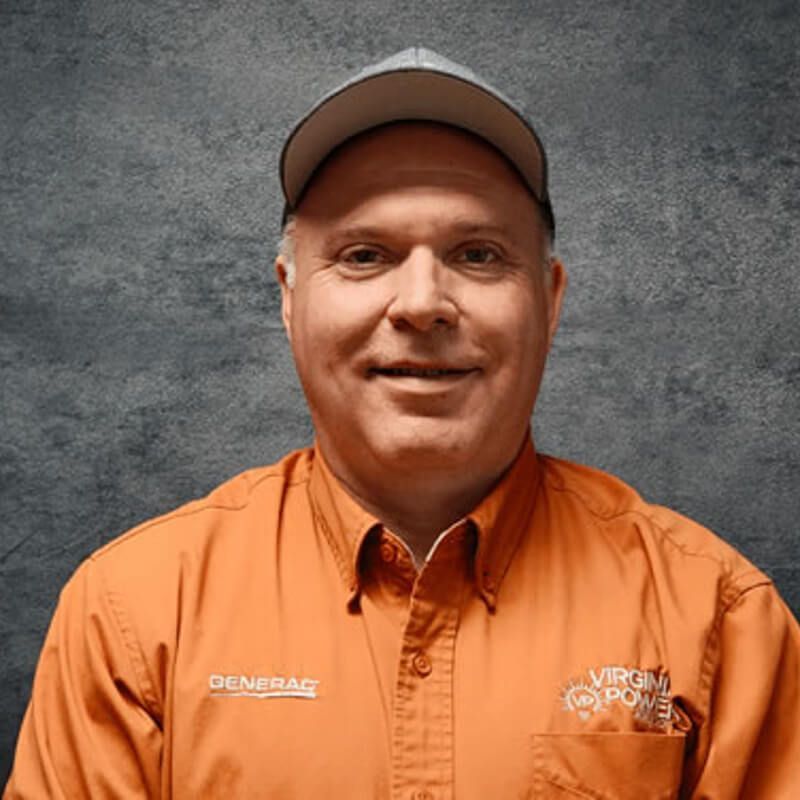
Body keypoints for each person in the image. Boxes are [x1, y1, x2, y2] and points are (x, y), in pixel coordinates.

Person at [4, 47, 799, 799]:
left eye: (479, 255)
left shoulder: (719, 616)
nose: (421, 303)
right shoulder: (134, 615)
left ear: (550, 301)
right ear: (288, 296)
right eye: (364, 255)